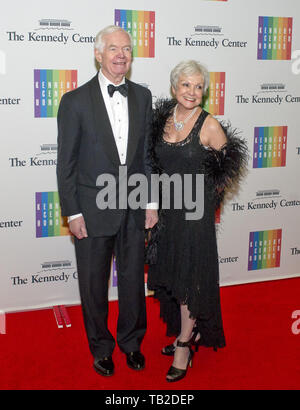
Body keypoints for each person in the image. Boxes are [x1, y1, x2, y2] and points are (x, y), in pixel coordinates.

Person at [57, 25, 158, 377]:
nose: (121, 55)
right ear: (98, 54)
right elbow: (66, 163)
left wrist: (151, 202)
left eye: (127, 49)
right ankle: (101, 347)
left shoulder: (144, 97)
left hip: (133, 208)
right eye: (113, 48)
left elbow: (147, 156)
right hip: (91, 209)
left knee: (133, 282)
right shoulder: (74, 101)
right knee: (93, 285)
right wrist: (72, 212)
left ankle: (132, 343)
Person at [147, 60, 248, 382]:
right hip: (166, 212)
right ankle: (190, 333)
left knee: (190, 278)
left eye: (198, 86)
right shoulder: (162, 120)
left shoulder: (209, 125)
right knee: (174, 274)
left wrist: (208, 199)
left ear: (204, 91)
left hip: (194, 215)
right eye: (186, 85)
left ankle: (183, 345)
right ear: (174, 87)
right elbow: (152, 164)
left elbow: (227, 167)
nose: (192, 91)